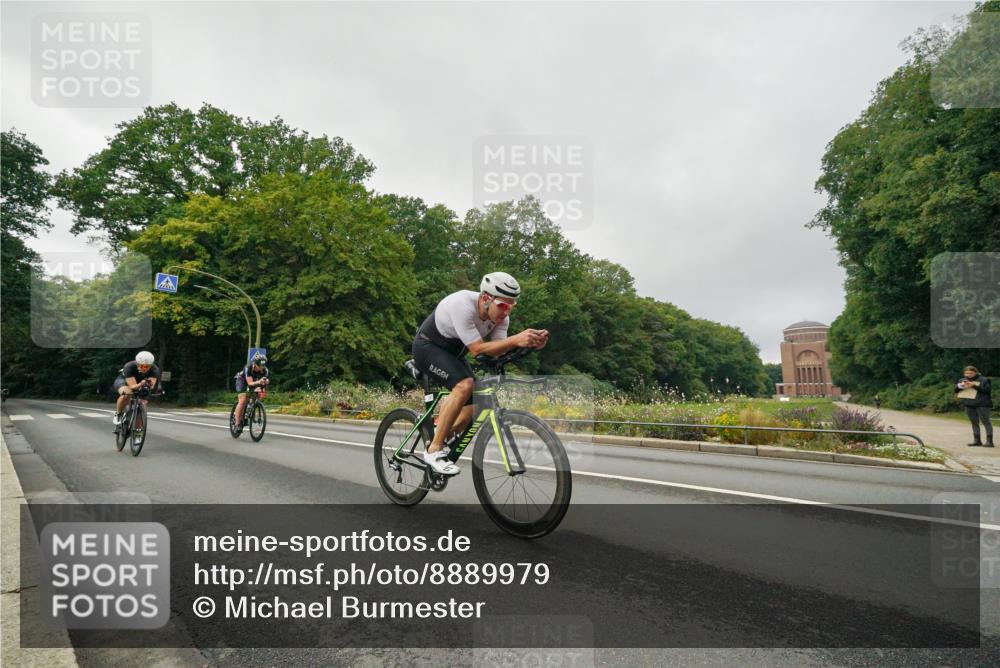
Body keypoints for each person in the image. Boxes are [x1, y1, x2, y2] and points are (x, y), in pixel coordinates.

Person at [412, 272, 549, 476]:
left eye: (511, 306)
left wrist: (529, 344)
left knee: (477, 403)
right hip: (427, 347)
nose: (506, 312)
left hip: (455, 353)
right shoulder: (462, 305)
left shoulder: (501, 319)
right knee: (465, 385)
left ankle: (437, 436)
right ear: (486, 298)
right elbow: (478, 350)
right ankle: (433, 451)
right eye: (502, 305)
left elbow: (496, 350)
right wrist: (515, 339)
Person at [113, 351, 160, 432]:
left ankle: (138, 431)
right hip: (124, 381)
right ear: (137, 364)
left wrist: (148, 386)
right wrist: (141, 384)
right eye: (142, 366)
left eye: (147, 367)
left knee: (143, 403)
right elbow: (132, 386)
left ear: (151, 365)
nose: (144, 368)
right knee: (127, 394)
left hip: (141, 382)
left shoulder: (155, 369)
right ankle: (118, 414)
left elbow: (151, 386)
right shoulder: (129, 366)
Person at [955, 366, 993, 447]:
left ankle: (989, 441)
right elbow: (956, 390)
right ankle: (977, 440)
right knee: (974, 422)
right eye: (966, 373)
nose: (968, 375)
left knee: (986, 422)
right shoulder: (962, 380)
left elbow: (987, 391)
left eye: (970, 373)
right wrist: (959, 386)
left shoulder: (984, 380)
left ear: (976, 372)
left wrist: (974, 385)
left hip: (982, 404)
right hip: (969, 403)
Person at [234, 352, 270, 427]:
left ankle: (248, 412)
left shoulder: (265, 370)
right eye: (259, 366)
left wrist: (265, 383)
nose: (261, 368)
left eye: (263, 366)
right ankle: (237, 423)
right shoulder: (248, 367)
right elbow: (250, 383)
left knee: (256, 396)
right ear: (254, 364)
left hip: (255, 381)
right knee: (243, 400)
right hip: (242, 380)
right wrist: (259, 382)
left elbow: (263, 383)